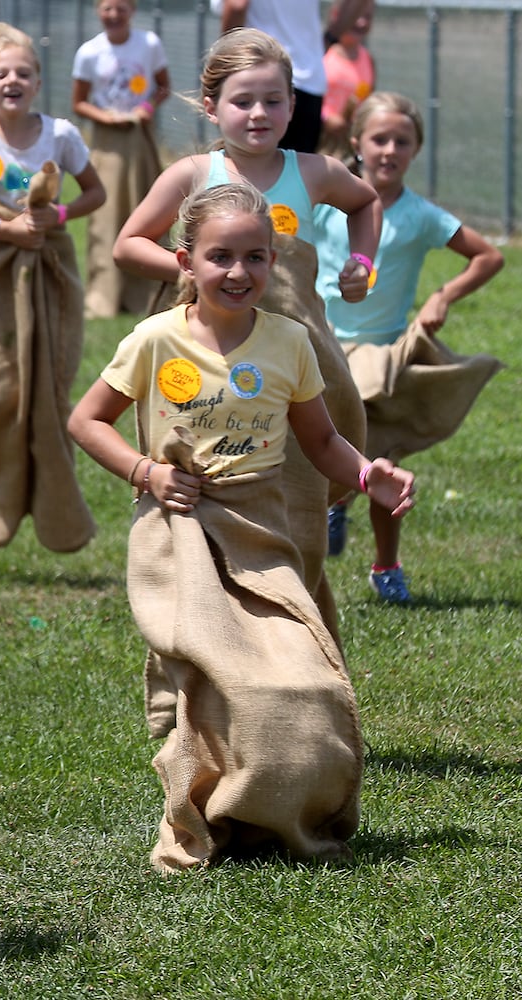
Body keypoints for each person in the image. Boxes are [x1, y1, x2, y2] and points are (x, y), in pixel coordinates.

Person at [70, 182, 415, 871]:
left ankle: (280, 812)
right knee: (217, 675)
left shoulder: (289, 341)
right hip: (180, 529)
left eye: (254, 257)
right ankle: (200, 812)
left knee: (303, 680)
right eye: (220, 257)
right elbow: (85, 420)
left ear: (273, 261)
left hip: (262, 528)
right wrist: (146, 473)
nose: (237, 272)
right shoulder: (153, 339)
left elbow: (319, 443)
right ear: (185, 263)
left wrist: (364, 474)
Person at [113, 27, 378, 637]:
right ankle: (215, 624)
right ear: (211, 107)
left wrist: (361, 264)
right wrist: (192, 270)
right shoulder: (190, 175)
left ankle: (298, 628)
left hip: (294, 365)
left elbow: (365, 204)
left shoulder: (313, 172)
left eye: (275, 100)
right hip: (213, 372)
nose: (259, 113)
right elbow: (130, 242)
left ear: (294, 104)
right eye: (242, 101)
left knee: (297, 496)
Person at [314, 92, 504, 604]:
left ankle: (386, 566)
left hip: (384, 357)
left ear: (416, 150)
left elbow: (487, 257)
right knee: (314, 452)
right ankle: (319, 532)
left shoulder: (420, 215)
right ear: (357, 144)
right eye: (380, 139)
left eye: (403, 140)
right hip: (323, 350)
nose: (390, 149)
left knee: (383, 462)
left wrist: (442, 296)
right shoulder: (327, 205)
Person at [0, 16, 106, 553]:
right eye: (1, 73)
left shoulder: (61, 134)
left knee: (52, 391)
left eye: (24, 73)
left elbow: (94, 193)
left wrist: (59, 215)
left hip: (53, 267)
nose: (13, 81)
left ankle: (60, 518)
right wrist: (2, 227)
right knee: (4, 388)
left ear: (37, 83)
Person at [71, 0, 170, 319]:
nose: (113, 15)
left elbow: (163, 86)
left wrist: (147, 109)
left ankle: (147, 294)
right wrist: (105, 117)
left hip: (141, 137)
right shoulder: (89, 52)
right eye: (107, 8)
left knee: (146, 211)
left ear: (132, 10)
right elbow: (79, 102)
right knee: (107, 216)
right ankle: (103, 297)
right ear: (98, 11)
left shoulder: (149, 44)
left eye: (121, 8)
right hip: (106, 139)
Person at [213, 0, 375, 153]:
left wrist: (226, 63)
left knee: (245, 173)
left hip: (254, 77)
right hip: (308, 81)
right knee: (298, 175)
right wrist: (329, 39)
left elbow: (237, 5)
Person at [319, 1, 375, 157]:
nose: (361, 22)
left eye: (368, 17)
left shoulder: (368, 59)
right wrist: (328, 119)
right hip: (323, 140)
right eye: (357, 15)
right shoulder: (323, 54)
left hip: (350, 142)